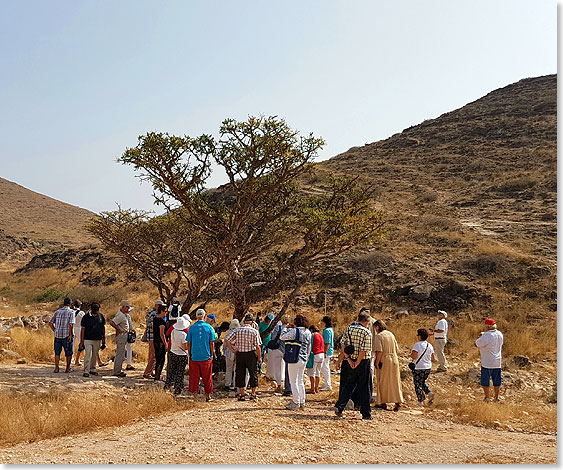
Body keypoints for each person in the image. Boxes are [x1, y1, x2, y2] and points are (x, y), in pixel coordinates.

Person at [333, 311, 373, 420]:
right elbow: (364, 350)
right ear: (367, 321)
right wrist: (358, 362)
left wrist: (349, 359)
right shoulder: (367, 333)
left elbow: (343, 344)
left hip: (351, 359)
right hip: (363, 361)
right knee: (364, 387)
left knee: (349, 384)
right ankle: (366, 413)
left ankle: (340, 406)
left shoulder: (349, 329)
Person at [226, 313, 262, 401]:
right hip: (251, 354)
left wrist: (232, 350)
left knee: (240, 373)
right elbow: (257, 346)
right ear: (252, 322)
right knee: (253, 373)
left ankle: (242, 394)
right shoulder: (254, 331)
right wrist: (260, 357)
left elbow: (227, 339)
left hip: (240, 354)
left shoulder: (237, 330)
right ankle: (253, 393)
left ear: (244, 321)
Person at [280, 314, 312, 410]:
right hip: (303, 358)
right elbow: (309, 347)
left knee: (293, 381)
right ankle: (302, 401)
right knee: (300, 381)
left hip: (294, 358)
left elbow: (282, 337)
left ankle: (296, 402)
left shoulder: (295, 331)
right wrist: (307, 357)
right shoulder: (308, 332)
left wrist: (285, 328)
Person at [186, 308, 216, 402]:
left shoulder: (191, 327)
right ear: (204, 316)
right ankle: (208, 396)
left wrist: (189, 353)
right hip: (206, 356)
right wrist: (211, 353)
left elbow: (188, 342)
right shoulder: (209, 327)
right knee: (207, 376)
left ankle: (195, 396)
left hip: (194, 356)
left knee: (194, 377)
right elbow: (212, 342)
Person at [373, 319, 404, 412]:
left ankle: (382, 402)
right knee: (395, 381)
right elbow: (397, 349)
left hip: (384, 360)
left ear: (377, 327)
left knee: (382, 380)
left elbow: (379, 351)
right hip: (394, 359)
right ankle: (398, 401)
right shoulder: (391, 334)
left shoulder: (379, 336)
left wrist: (376, 362)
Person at [475, 318, 504, 402]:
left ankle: (487, 397)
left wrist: (482, 336)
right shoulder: (500, 334)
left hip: (487, 362)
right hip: (497, 361)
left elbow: (476, 344)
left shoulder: (486, 336)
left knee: (485, 380)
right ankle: (496, 397)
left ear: (487, 327)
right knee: (497, 380)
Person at [49, 297, 75, 373]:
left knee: (57, 352)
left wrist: (55, 330)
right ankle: (67, 368)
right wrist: (71, 335)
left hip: (57, 335)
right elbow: (70, 324)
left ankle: (56, 368)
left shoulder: (57, 311)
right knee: (68, 352)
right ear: (70, 304)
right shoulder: (71, 312)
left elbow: (50, 323)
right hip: (66, 335)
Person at [79, 301, 106, 377]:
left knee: (94, 355)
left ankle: (93, 369)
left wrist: (104, 340)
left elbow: (103, 328)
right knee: (88, 355)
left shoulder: (101, 316)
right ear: (91, 309)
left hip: (97, 339)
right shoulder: (86, 317)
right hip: (87, 339)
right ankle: (86, 371)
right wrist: (81, 341)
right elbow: (83, 329)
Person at [165, 315, 190, 395]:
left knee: (171, 370)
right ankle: (177, 389)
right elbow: (184, 347)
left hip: (173, 352)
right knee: (180, 373)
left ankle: (167, 385)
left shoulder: (173, 331)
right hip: (181, 355)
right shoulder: (183, 335)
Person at [410, 328, 435, 406]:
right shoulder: (429, 345)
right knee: (422, 382)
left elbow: (414, 356)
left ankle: (420, 401)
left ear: (420, 336)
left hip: (418, 367)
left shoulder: (417, 345)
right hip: (428, 367)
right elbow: (433, 358)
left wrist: (410, 355)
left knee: (417, 383)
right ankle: (429, 393)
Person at [143, 299, 165, 379]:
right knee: (153, 355)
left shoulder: (150, 313)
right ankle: (147, 373)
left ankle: (151, 371)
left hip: (150, 336)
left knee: (151, 354)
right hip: (153, 337)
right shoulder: (154, 314)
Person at [109, 300, 131, 377]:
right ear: (123, 307)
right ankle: (117, 371)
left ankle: (118, 369)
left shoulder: (122, 315)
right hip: (122, 335)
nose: (128, 309)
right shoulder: (121, 316)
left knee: (121, 353)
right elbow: (112, 322)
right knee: (120, 354)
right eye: (127, 307)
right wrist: (118, 329)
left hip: (123, 335)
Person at [267, 314, 288, 392]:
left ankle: (279, 385)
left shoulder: (276, 328)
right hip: (286, 350)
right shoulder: (289, 330)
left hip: (277, 349)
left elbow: (272, 337)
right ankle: (288, 385)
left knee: (277, 368)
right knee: (287, 368)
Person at [306, 325, 324, 394]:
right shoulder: (321, 336)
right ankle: (317, 388)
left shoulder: (312, 335)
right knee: (318, 373)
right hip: (321, 354)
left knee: (312, 373)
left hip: (315, 354)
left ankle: (312, 388)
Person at [223, 319, 240, 391]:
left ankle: (227, 384)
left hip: (229, 353)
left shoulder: (229, 333)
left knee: (229, 369)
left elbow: (225, 344)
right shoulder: (240, 332)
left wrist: (226, 351)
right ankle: (236, 385)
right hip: (238, 352)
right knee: (236, 369)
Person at [152, 304, 168, 381]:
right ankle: (157, 375)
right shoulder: (161, 321)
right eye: (165, 311)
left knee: (158, 358)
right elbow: (162, 334)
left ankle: (157, 375)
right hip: (160, 342)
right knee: (161, 359)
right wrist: (166, 344)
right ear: (161, 311)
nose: (166, 313)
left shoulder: (155, 319)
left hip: (155, 340)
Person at [319, 315, 334, 391]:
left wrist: (325, 352)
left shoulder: (327, 331)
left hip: (326, 351)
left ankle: (328, 384)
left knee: (325, 368)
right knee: (325, 367)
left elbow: (327, 343)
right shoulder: (330, 329)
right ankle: (326, 383)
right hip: (329, 351)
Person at [72, 300, 85, 366]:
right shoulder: (81, 313)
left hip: (72, 328)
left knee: (72, 344)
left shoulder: (71, 311)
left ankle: (71, 359)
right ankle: (78, 359)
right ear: (80, 305)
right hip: (79, 328)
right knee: (81, 343)